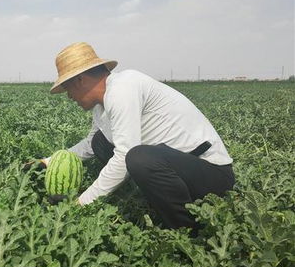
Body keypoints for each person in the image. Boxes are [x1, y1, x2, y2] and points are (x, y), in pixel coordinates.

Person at [40, 42, 235, 230]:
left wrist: (82, 203)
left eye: (68, 88)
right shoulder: (101, 105)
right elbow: (90, 145)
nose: (69, 96)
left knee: (138, 158)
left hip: (211, 174)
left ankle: (187, 230)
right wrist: (48, 162)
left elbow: (125, 156)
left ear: (80, 80)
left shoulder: (123, 88)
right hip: (176, 169)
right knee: (100, 141)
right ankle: (156, 197)